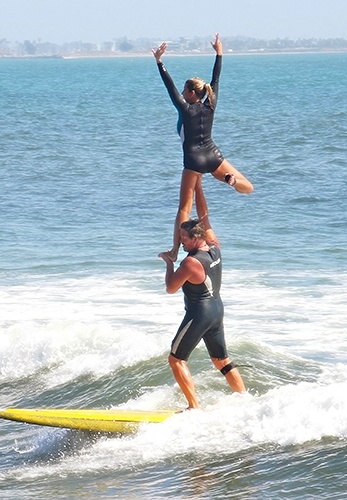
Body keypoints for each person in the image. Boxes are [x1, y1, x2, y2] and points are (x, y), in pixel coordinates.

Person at [152, 33, 253, 261]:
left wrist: (159, 62)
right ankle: (234, 182)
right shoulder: (211, 105)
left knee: (183, 210)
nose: (182, 93)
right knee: (249, 187)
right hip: (213, 155)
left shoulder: (185, 108)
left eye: (185, 90)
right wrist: (219, 53)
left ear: (190, 93)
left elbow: (169, 89)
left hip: (194, 162)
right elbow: (216, 80)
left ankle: (174, 251)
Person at [158, 176, 245, 410]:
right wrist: (197, 185)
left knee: (176, 360)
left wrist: (168, 262)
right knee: (221, 361)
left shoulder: (191, 263)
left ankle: (193, 407)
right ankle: (244, 398)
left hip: (200, 313)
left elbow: (170, 288)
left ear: (195, 238)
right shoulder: (214, 247)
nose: (180, 242)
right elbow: (204, 216)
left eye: (183, 239)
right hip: (217, 310)